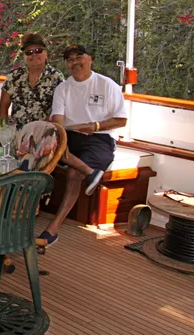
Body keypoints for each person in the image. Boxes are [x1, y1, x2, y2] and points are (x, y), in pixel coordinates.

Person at [39, 45, 128, 247]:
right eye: (70, 60)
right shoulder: (63, 88)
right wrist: (61, 140)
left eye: (79, 57)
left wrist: (96, 126)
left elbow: (121, 120)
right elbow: (58, 119)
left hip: (99, 138)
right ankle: (90, 172)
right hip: (70, 134)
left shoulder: (107, 85)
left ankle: (52, 230)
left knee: (72, 174)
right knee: (42, 149)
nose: (75, 62)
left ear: (90, 59)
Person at [0, 32, 65, 129]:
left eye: (38, 50)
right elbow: (3, 108)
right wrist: (3, 131)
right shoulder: (13, 76)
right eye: (28, 52)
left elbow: (59, 112)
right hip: (16, 133)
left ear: (46, 53)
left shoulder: (57, 77)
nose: (34, 55)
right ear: (24, 56)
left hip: (44, 134)